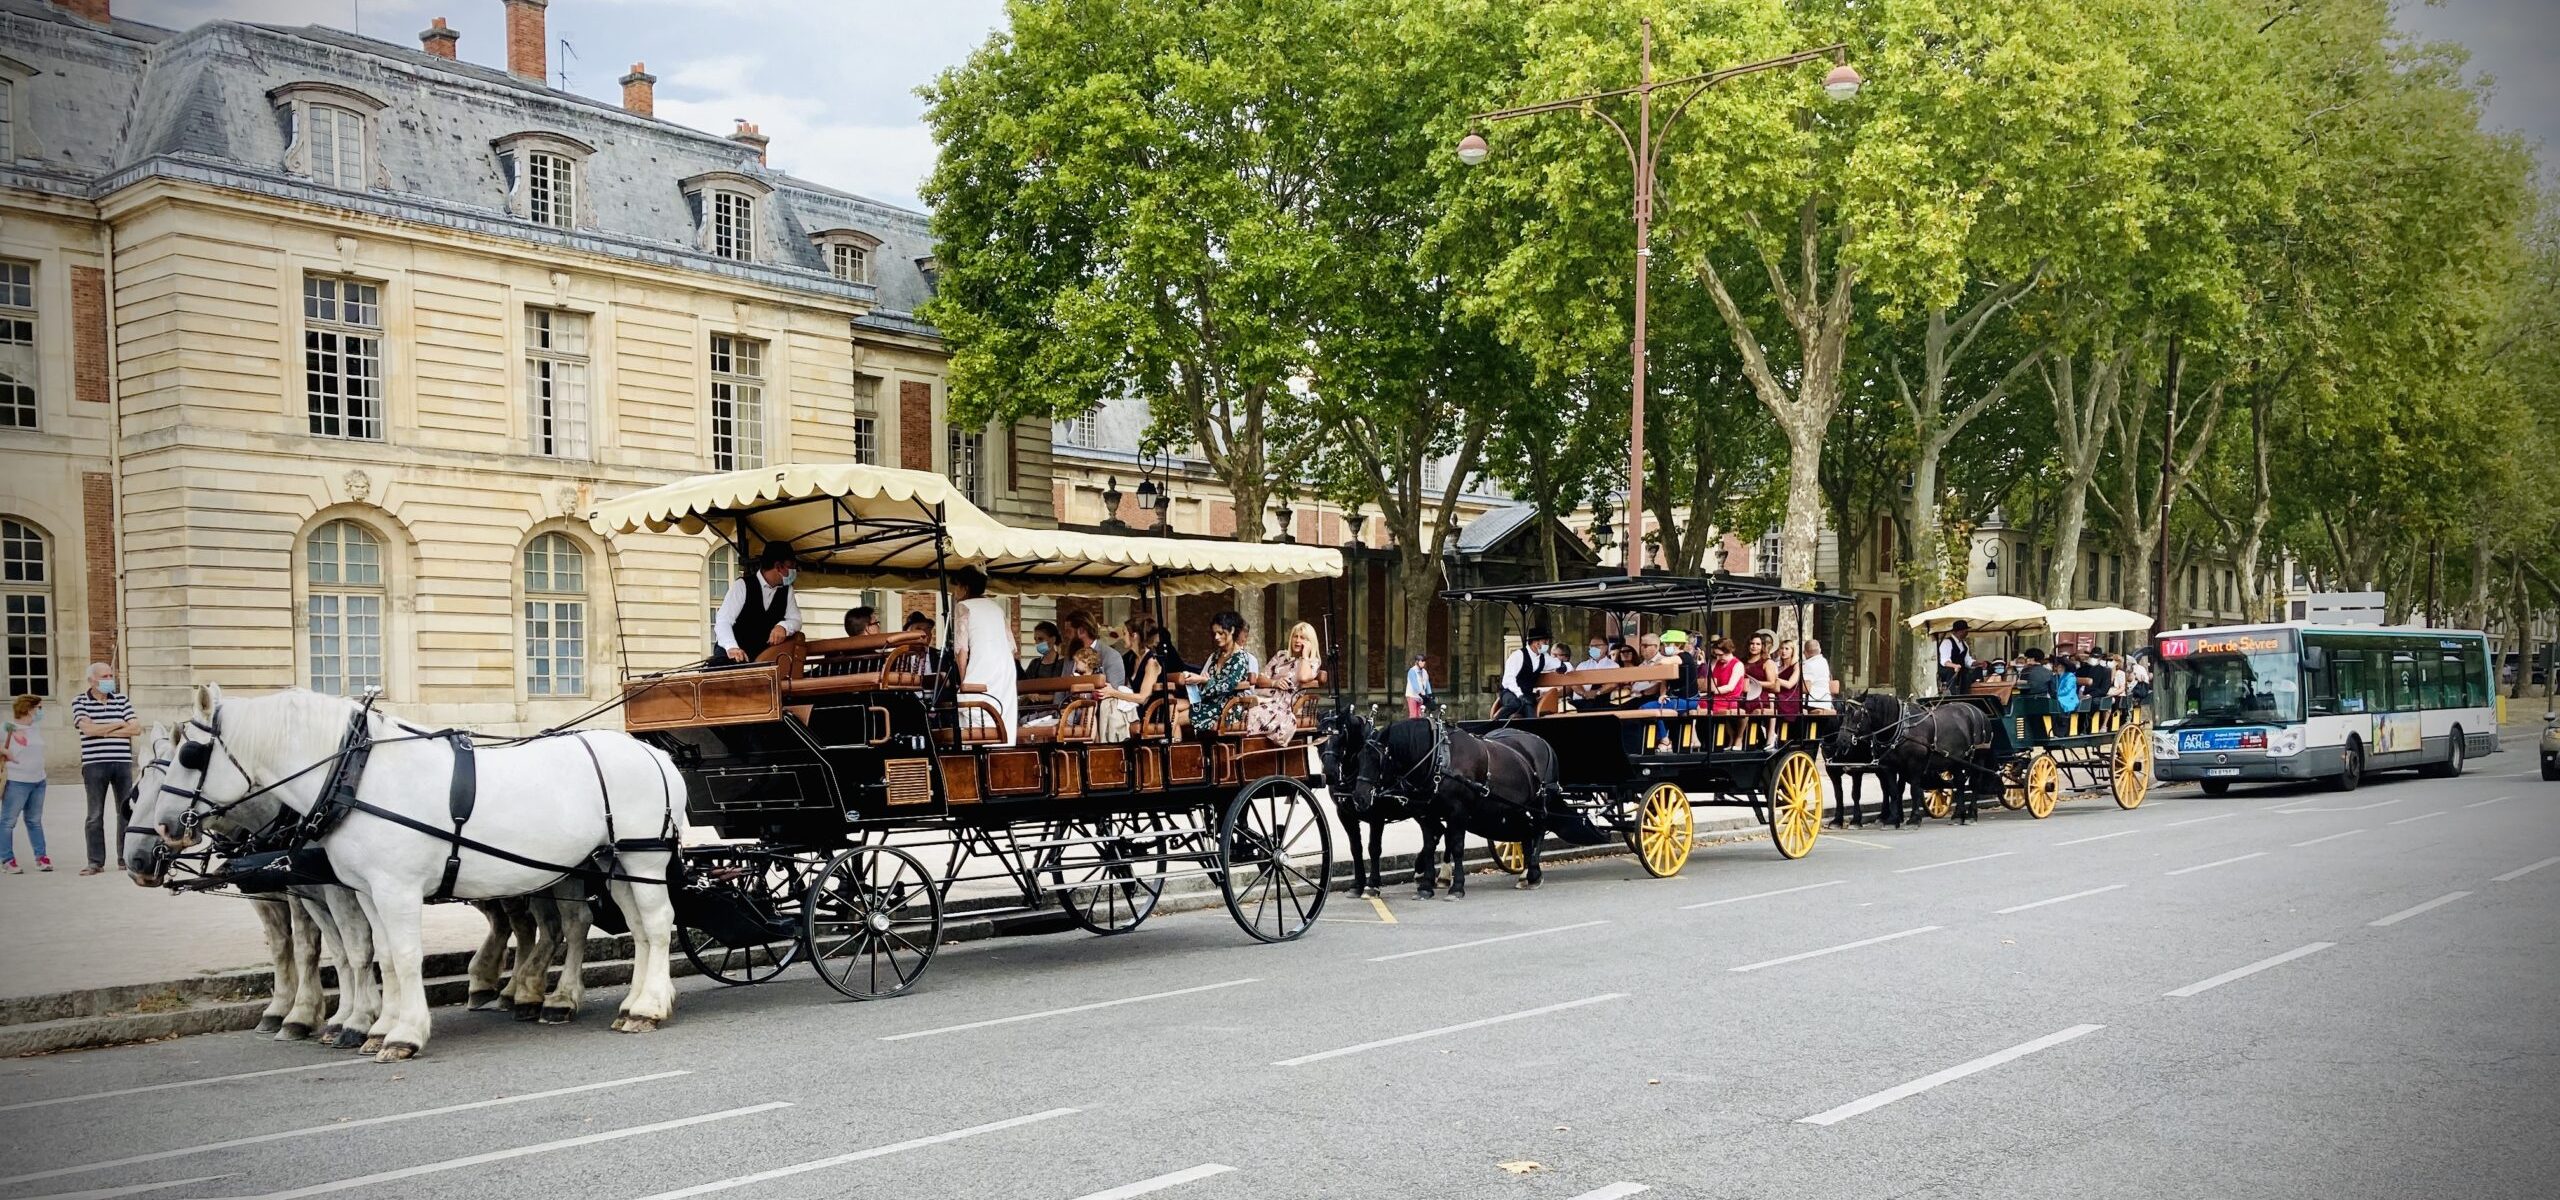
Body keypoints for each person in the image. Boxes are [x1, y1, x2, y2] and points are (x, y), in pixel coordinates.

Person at [71, 663, 137, 876]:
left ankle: (124, 857)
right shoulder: (80, 701)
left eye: (111, 675)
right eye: (105, 676)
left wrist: (103, 730)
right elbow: (87, 730)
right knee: (94, 814)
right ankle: (95, 862)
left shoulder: (122, 700)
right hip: (94, 764)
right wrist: (118, 725)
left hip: (122, 763)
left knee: (126, 811)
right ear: (91, 680)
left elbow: (135, 728)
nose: (110, 679)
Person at [949, 566, 1018, 746]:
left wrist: (963, 680)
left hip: (983, 666)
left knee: (971, 710)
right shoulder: (996, 607)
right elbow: (1012, 647)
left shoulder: (963, 607)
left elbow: (961, 650)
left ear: (964, 587)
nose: (954, 592)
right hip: (1005, 669)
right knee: (1002, 715)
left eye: (956, 587)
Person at [711, 548, 801, 666]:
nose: (794, 571)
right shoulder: (742, 585)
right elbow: (723, 620)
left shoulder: (787, 590)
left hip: (762, 659)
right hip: (731, 658)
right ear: (778, 566)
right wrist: (732, 647)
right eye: (791, 567)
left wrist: (783, 627)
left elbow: (796, 620)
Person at [1182, 611, 1258, 735]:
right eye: (1214, 633)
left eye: (1221, 633)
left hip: (1226, 707)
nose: (1216, 637)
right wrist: (1199, 680)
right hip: (1208, 702)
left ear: (1232, 630)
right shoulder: (1216, 655)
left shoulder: (1240, 657)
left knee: (1175, 720)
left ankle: (1178, 752)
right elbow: (1207, 680)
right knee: (1170, 710)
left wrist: (1205, 680)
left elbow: (1228, 684)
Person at [1247, 622, 1323, 738]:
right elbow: (1260, 679)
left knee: (1254, 713)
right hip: (1264, 698)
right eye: (1295, 636)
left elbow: (1303, 677)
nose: (1297, 640)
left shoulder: (1312, 662)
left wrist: (1305, 656)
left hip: (1285, 705)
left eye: (1302, 638)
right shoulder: (1281, 655)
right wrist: (1274, 683)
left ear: (1310, 642)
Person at [3, 695, 50, 873]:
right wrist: (5, 751)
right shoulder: (8, 727)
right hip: (17, 781)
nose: (41, 712)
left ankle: (41, 857)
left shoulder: (34, 728)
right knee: (8, 821)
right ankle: (7, 859)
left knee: (34, 821)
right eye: (39, 708)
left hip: (38, 780)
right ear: (29, 709)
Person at [1495, 627, 1554, 719]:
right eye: (1545, 642)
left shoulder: (1543, 657)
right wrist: (1519, 694)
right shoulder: (1518, 656)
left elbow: (1556, 663)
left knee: (1530, 712)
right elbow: (1508, 680)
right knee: (1515, 703)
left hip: (1527, 695)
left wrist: (1563, 667)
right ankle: (1495, 722)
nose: (1547, 644)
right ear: (1536, 643)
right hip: (1509, 692)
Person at [1706, 636, 1746, 715]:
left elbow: (1730, 687)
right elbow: (1710, 681)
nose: (1718, 658)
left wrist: (1712, 692)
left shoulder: (1738, 665)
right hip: (1714, 697)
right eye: (1716, 655)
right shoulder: (1715, 663)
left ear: (1728, 651)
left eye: (1720, 655)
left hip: (1730, 700)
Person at [1937, 620, 1975, 695]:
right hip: (1947, 672)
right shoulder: (1947, 642)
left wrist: (1977, 663)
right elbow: (1944, 661)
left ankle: (1968, 693)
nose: (1967, 633)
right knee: (1952, 671)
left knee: (1971, 673)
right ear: (1959, 631)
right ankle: (1951, 694)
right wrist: (1955, 666)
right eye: (1965, 631)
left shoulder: (1964, 644)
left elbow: (1967, 661)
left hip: (1961, 671)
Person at [1772, 639, 1806, 717]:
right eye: (1782, 648)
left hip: (1790, 697)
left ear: (1792, 651)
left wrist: (1774, 679)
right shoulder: (1777, 666)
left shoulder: (1797, 666)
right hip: (1777, 694)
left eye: (1787, 649)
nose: (1784, 651)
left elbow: (1789, 684)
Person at [1801, 637, 1835, 713]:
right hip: (1826, 703)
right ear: (1819, 650)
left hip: (1812, 703)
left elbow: (1805, 688)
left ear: (1805, 653)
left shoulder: (1808, 665)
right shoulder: (1824, 661)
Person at [1405, 653, 1434, 718]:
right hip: (1412, 695)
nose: (1424, 663)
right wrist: (1421, 693)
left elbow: (1427, 683)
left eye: (1424, 661)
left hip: (1421, 697)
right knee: (1413, 715)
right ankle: (1413, 727)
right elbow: (1414, 684)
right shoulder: (1412, 671)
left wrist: (1430, 694)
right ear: (1417, 661)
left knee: (1420, 714)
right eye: (1422, 661)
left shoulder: (1424, 672)